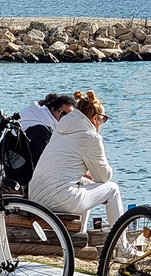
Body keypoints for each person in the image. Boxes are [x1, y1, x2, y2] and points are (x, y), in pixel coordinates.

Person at [28, 90, 123, 228]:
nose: (102, 123)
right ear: (95, 118)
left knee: (84, 185)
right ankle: (123, 246)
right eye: (103, 119)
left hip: (36, 196)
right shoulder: (91, 137)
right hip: (59, 198)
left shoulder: (60, 130)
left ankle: (81, 234)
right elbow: (103, 177)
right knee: (112, 189)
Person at [19, 93, 77, 164]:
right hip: (27, 172)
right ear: (52, 110)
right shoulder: (40, 132)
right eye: (63, 114)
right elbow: (46, 163)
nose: (66, 120)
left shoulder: (31, 117)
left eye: (71, 117)